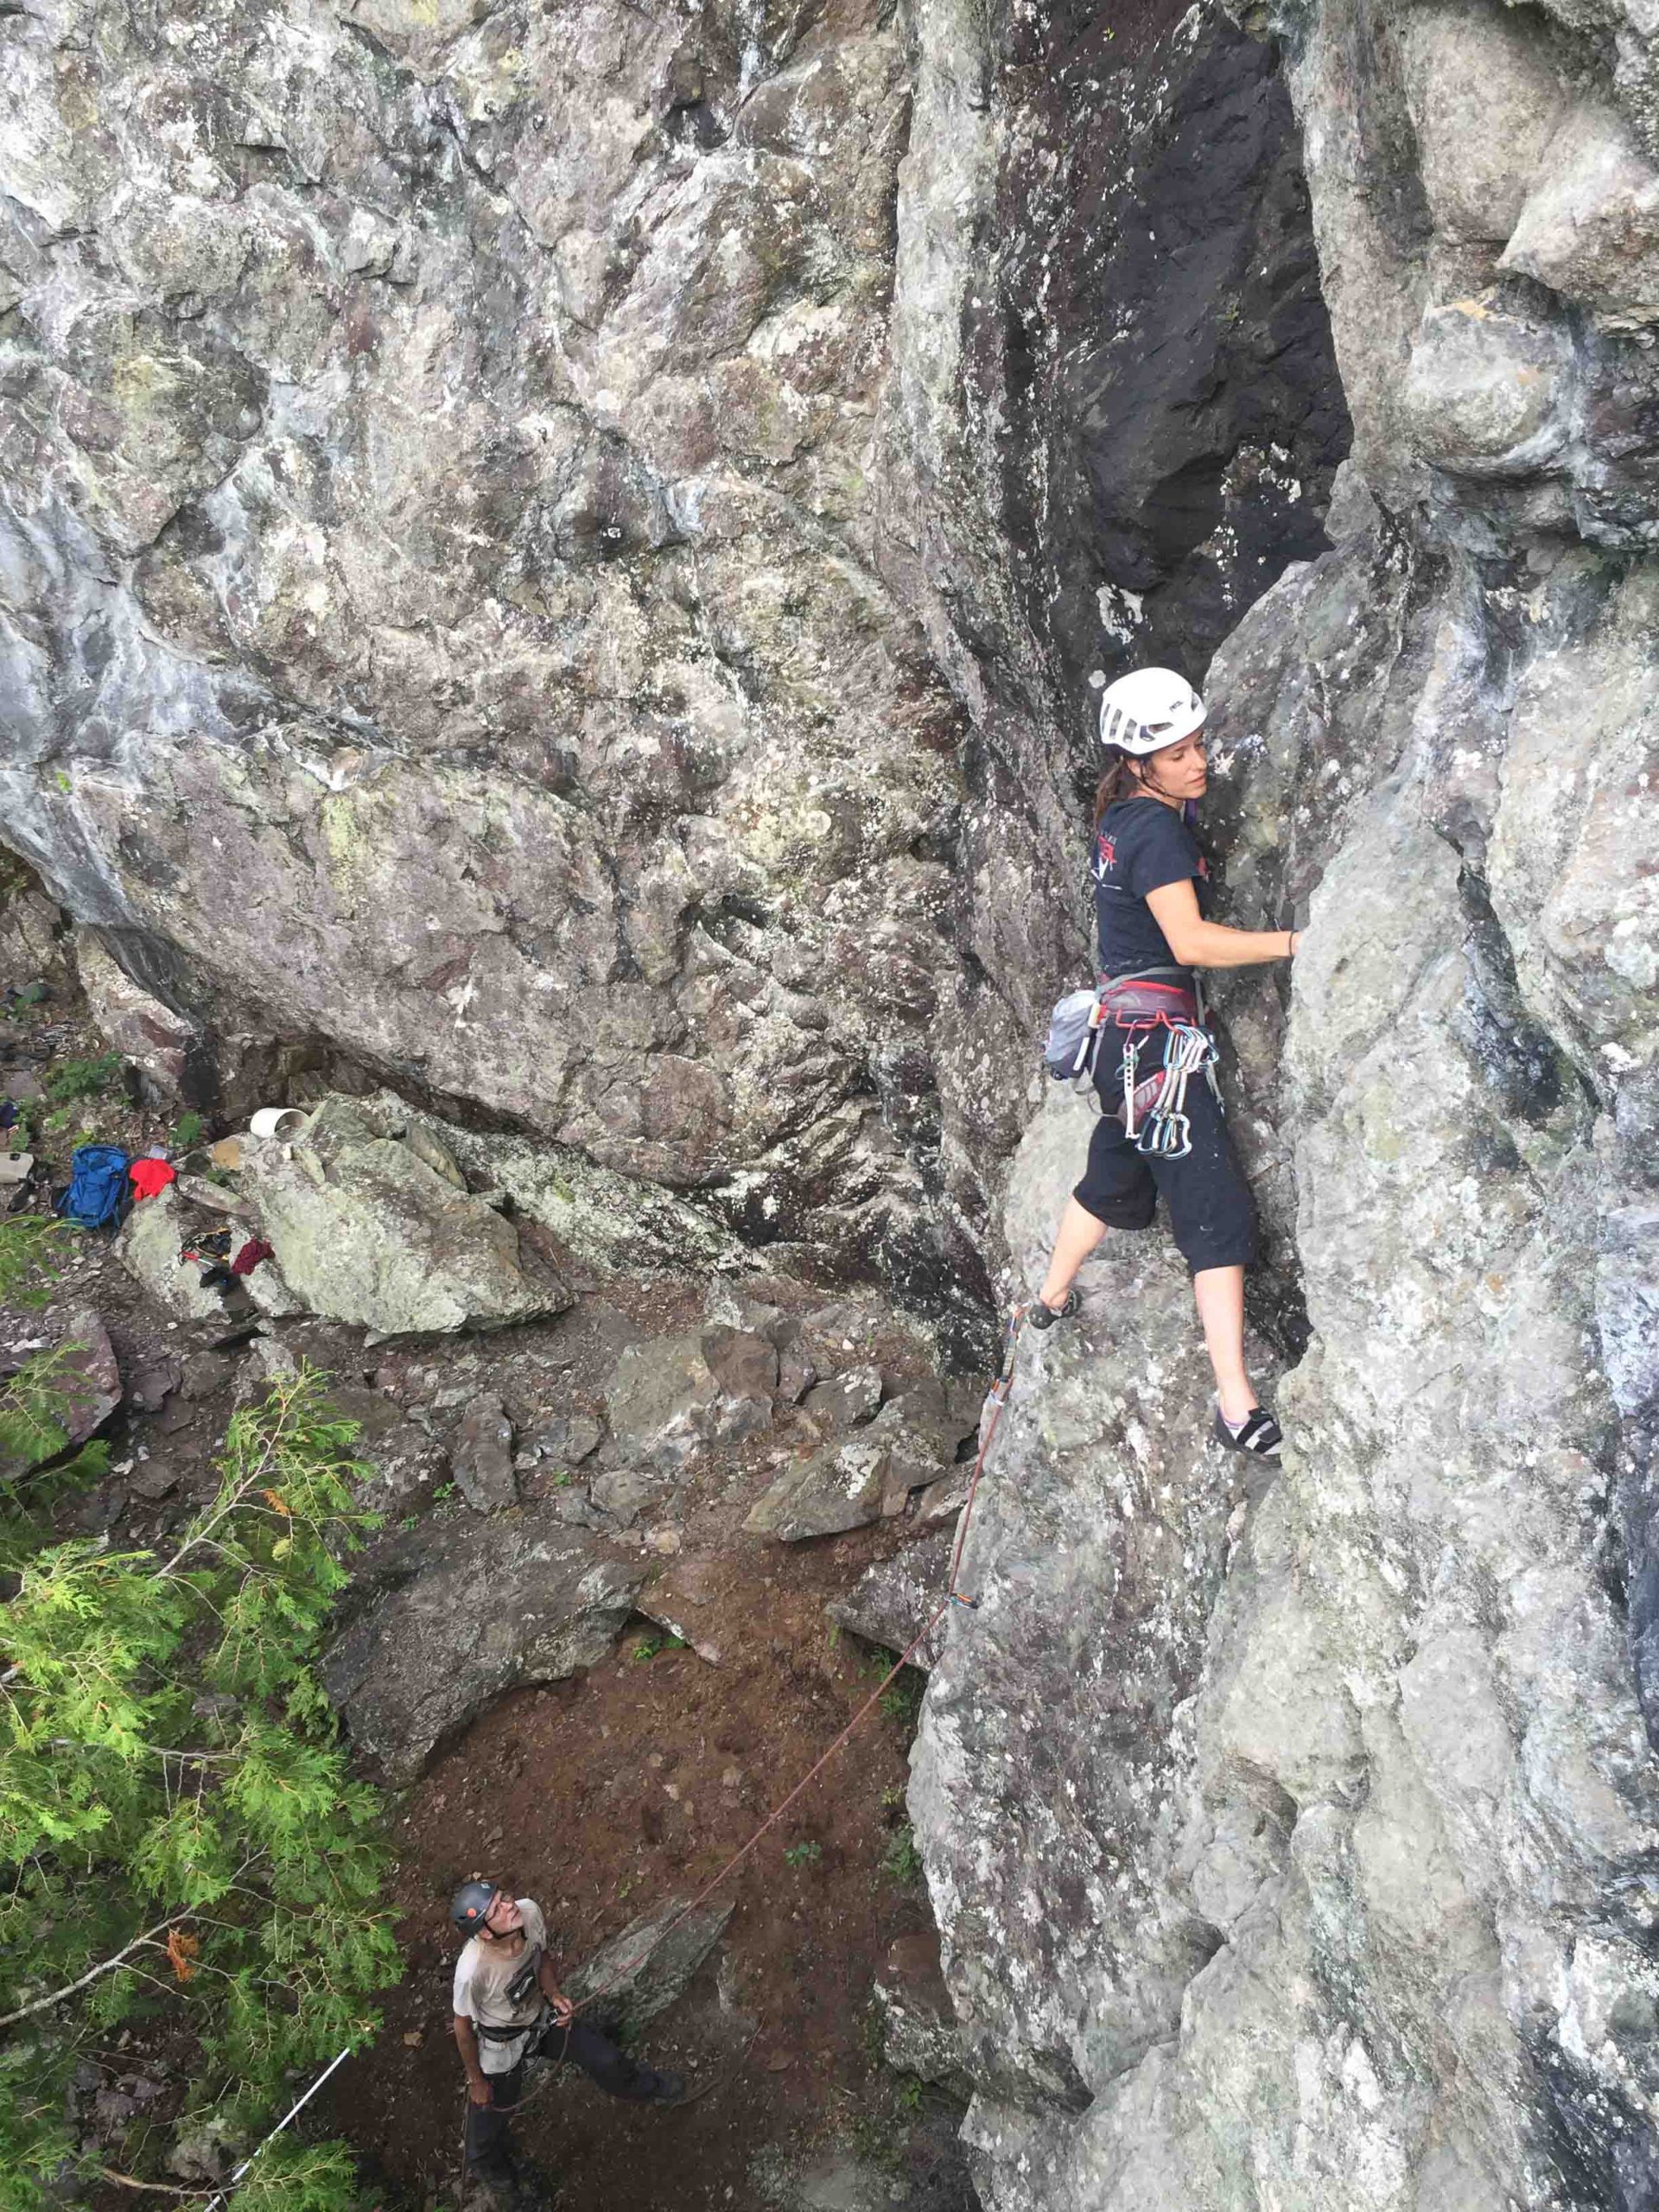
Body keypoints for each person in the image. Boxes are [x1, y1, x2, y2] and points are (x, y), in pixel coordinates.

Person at [1032, 666, 1300, 1459]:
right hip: (1157, 1050)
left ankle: (1049, 1297)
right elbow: (1190, 943)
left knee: (1116, 1171)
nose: (1198, 763)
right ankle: (1235, 1405)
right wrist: (1294, 943)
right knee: (1215, 1213)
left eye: (1199, 746)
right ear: (1138, 762)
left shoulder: (1121, 820)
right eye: (1178, 754)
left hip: (1123, 1042)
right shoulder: (1155, 832)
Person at [450, 1880, 683, 2199]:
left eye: (503, 1897)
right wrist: (477, 2080)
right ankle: (493, 2169)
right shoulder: (472, 1971)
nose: (508, 1905)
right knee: (490, 2115)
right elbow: (463, 2028)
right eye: (497, 1909)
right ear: (485, 1932)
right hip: (501, 2045)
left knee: (606, 2059)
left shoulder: (528, 1913)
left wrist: (554, 1994)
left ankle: (647, 2087)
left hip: (541, 2019)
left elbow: (542, 1957)